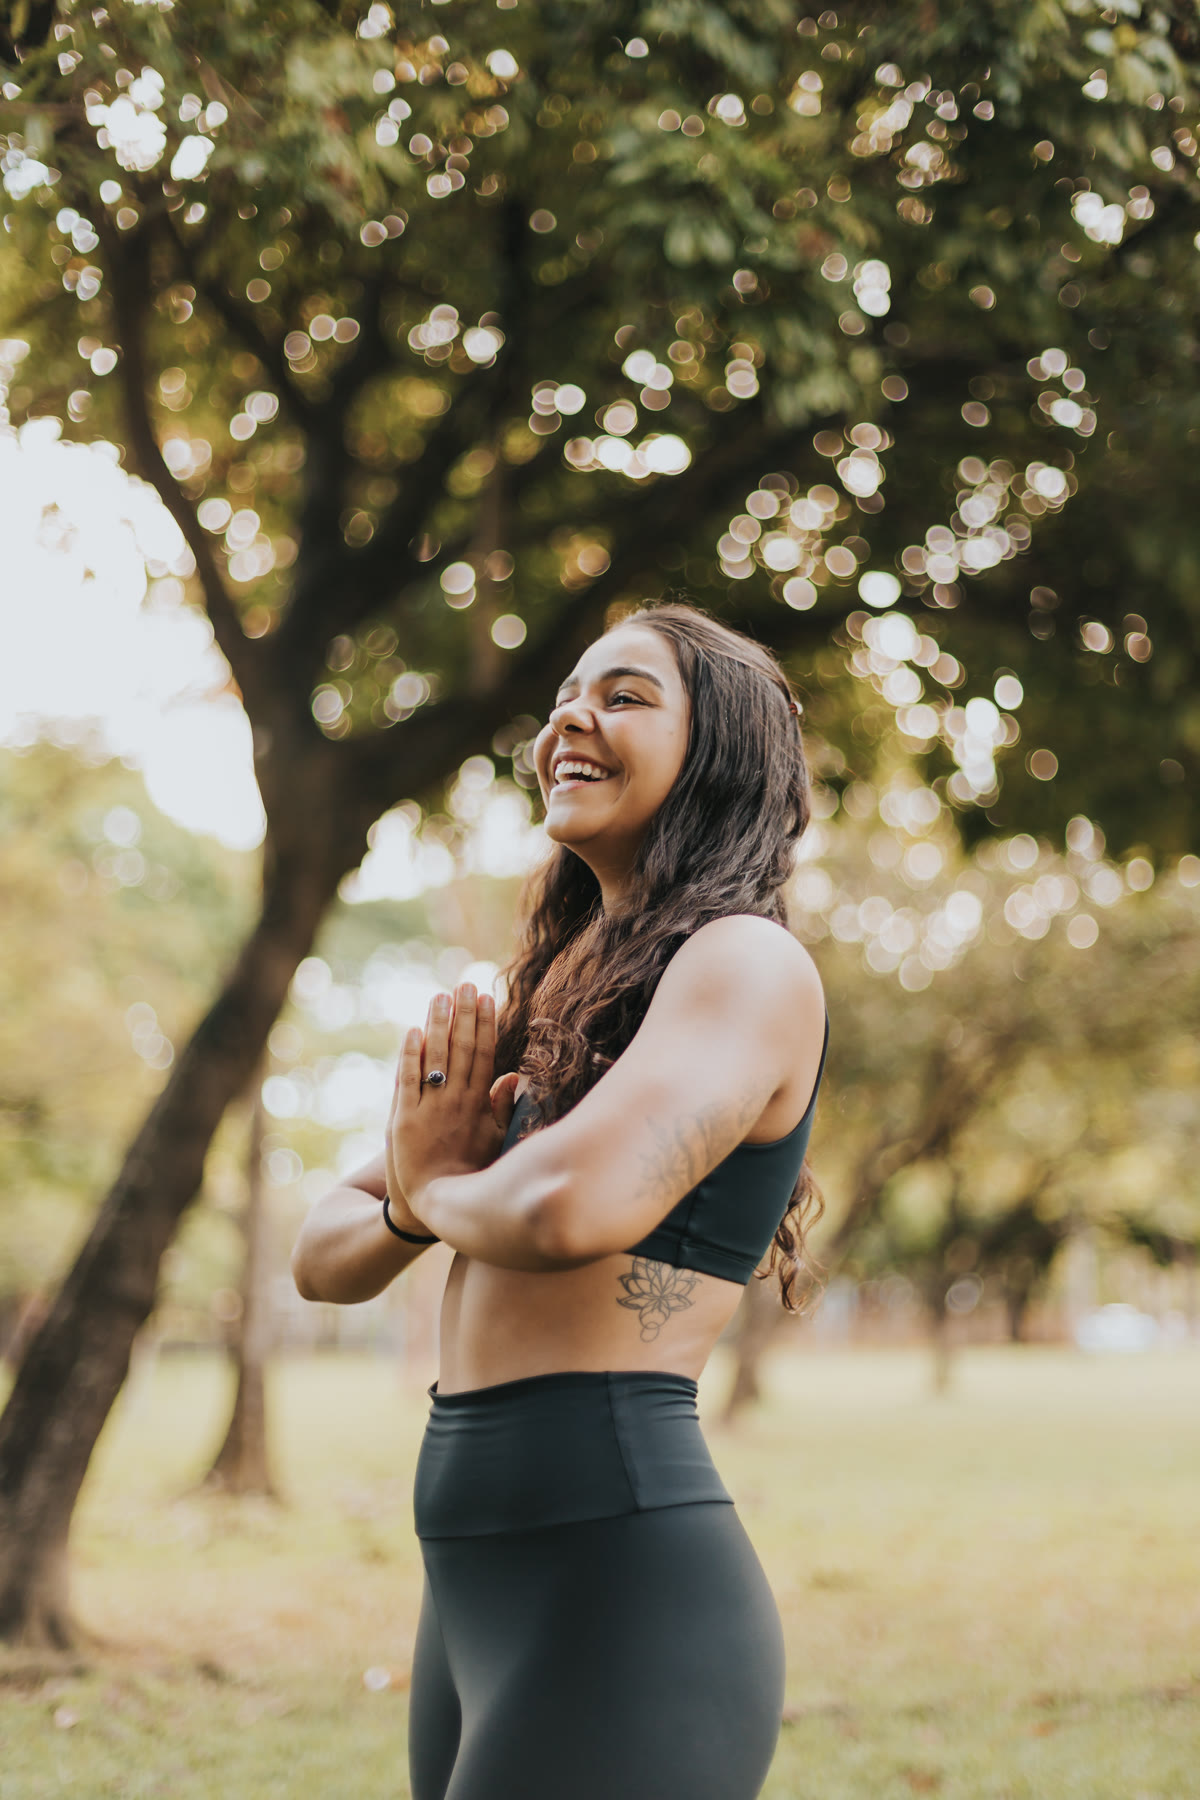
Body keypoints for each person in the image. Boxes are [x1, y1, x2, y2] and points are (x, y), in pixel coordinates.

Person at [291, 601, 827, 1800]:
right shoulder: (558, 999)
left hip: (621, 1586)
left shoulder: (744, 963)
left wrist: (434, 1183)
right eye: (563, 699)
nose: (570, 721)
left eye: (624, 696)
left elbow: (566, 1210)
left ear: (721, 752)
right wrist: (419, 1203)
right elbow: (322, 1254)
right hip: (475, 1588)